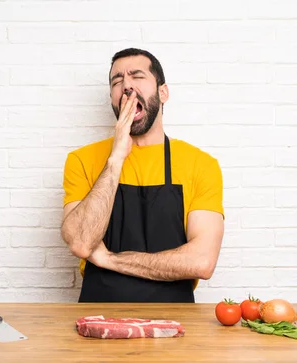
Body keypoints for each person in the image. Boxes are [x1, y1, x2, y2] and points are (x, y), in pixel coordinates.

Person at [60, 48, 224, 303]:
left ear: (162, 92)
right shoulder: (81, 160)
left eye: (137, 77)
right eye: (117, 81)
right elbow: (81, 243)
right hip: (97, 320)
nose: (126, 86)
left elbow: (202, 262)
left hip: (175, 322)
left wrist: (110, 260)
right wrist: (115, 159)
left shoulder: (199, 164)